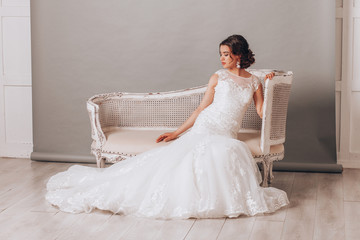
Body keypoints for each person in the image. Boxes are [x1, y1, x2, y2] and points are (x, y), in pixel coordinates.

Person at [46, 34, 289, 219]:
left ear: (238, 55)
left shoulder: (254, 82)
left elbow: (261, 112)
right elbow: (201, 109)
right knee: (204, 152)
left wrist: (269, 88)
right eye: (221, 54)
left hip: (227, 130)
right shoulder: (218, 77)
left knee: (226, 150)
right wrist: (176, 133)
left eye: (226, 54)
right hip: (208, 124)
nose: (222, 58)